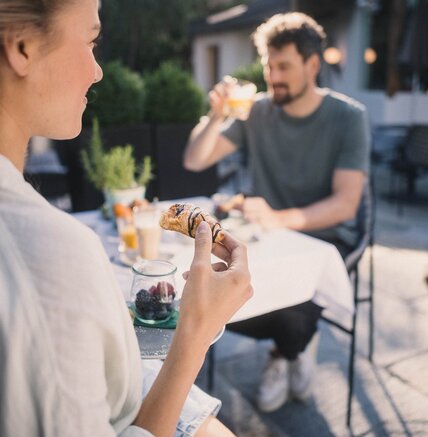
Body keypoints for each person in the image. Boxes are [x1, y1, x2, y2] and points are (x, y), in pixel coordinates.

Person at [0, 1, 253, 436]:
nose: (98, 71)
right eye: (91, 41)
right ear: (22, 47)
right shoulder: (45, 252)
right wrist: (196, 328)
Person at [184, 12, 370, 412]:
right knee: (207, 290)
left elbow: (346, 204)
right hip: (266, 241)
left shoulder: (348, 117)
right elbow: (196, 159)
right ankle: (295, 347)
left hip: (326, 239)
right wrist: (217, 115)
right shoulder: (257, 111)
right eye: (269, 66)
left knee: (292, 310)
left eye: (283, 66)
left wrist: (278, 218)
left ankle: (287, 351)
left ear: (313, 65)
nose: (273, 76)